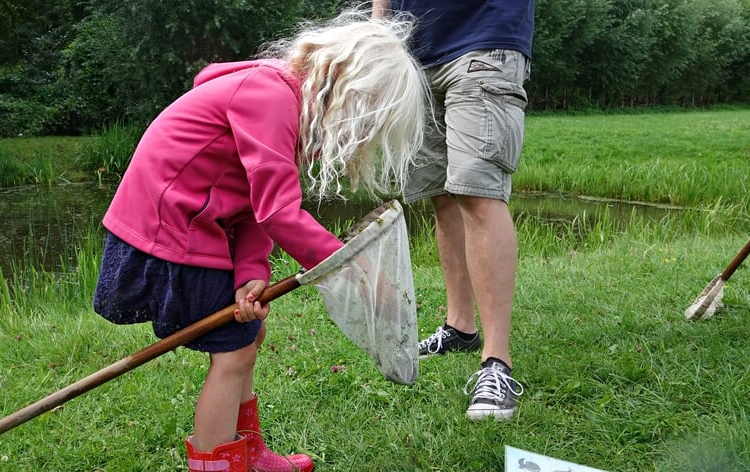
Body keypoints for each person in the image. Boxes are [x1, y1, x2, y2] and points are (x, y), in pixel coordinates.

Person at [92, 9, 428, 472]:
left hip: (195, 223)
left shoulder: (284, 100)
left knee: (247, 335)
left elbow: (254, 204)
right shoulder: (269, 97)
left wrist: (250, 272)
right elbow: (278, 212)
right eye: (365, 118)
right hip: (168, 229)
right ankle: (217, 467)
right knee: (233, 351)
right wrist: (359, 270)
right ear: (349, 88)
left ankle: (249, 456)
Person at [372, 0, 533, 420]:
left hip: (484, 35)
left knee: (478, 193)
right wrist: (378, 33)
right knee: (441, 194)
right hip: (415, 53)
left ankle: (496, 362)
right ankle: (460, 327)